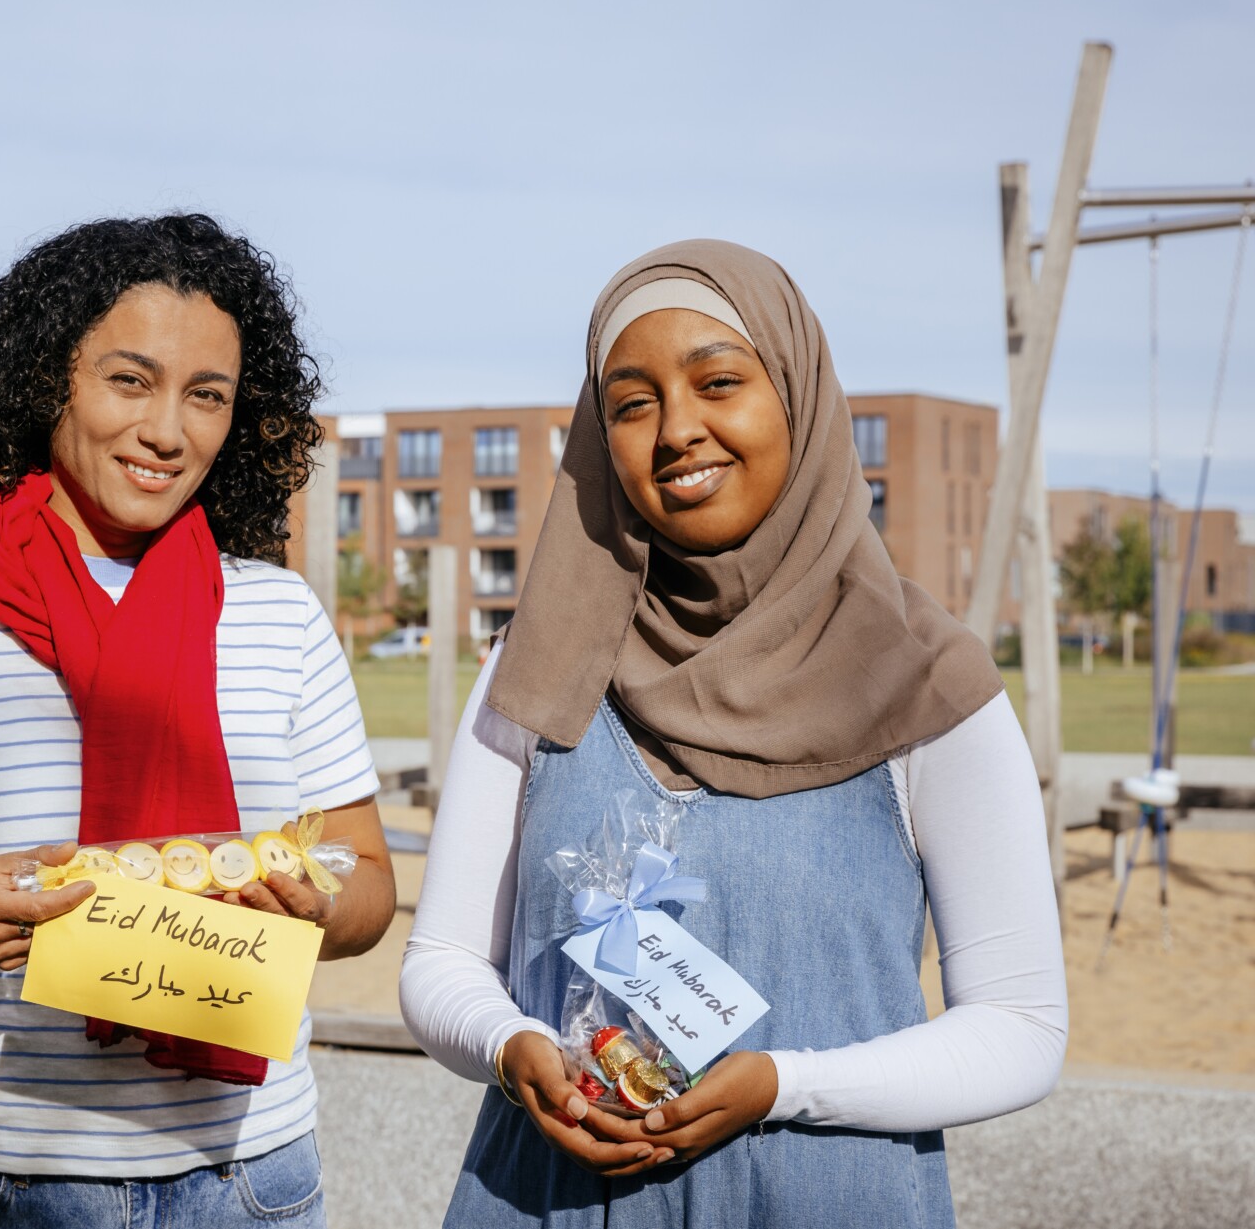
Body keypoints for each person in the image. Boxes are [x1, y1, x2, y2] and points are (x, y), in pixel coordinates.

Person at [399, 240, 1067, 1227]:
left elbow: (1021, 1029)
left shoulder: (929, 683)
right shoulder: (534, 669)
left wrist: (782, 1085)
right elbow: (442, 960)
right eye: (631, 404)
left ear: (795, 392)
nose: (677, 430)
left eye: (719, 381)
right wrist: (508, 1048)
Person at [0, 214, 393, 1229]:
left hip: (250, 1183)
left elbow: (369, 885)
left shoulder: (282, 617)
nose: (168, 431)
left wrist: (316, 907)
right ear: (42, 383)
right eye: (129, 380)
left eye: (209, 396)